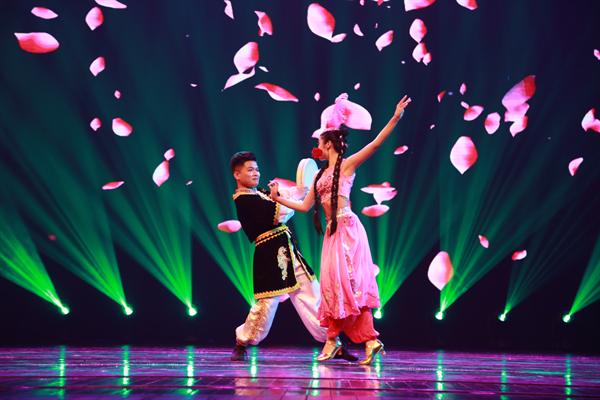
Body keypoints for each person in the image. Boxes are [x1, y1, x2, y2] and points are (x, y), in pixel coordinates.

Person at [269, 96, 411, 365]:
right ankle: (362, 341)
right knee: (334, 286)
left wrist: (395, 118)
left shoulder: (346, 165)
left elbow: (375, 144)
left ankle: (338, 340)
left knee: (350, 285)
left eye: (319, 142)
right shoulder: (320, 175)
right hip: (332, 234)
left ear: (328, 143)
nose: (317, 147)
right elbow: (304, 206)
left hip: (348, 230)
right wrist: (278, 198)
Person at [229, 151, 357, 362]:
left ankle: (332, 341)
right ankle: (242, 342)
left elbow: (284, 198)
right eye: (250, 170)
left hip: (287, 249)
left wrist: (298, 191)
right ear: (237, 174)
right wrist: (290, 197)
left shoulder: (259, 194)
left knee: (312, 295)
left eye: (257, 169)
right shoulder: (244, 199)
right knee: (267, 303)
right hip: (269, 254)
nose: (256, 173)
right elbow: (281, 211)